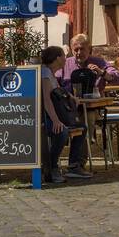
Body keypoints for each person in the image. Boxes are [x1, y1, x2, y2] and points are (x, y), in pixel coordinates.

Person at [41, 45, 90, 182]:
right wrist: (56, 120)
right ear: (57, 58)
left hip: (56, 114)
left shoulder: (49, 72)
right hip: (45, 117)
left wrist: (71, 96)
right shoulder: (44, 73)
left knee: (81, 128)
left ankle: (74, 165)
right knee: (61, 132)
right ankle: (51, 167)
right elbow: (46, 99)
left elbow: (57, 89)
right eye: (63, 56)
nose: (65, 59)